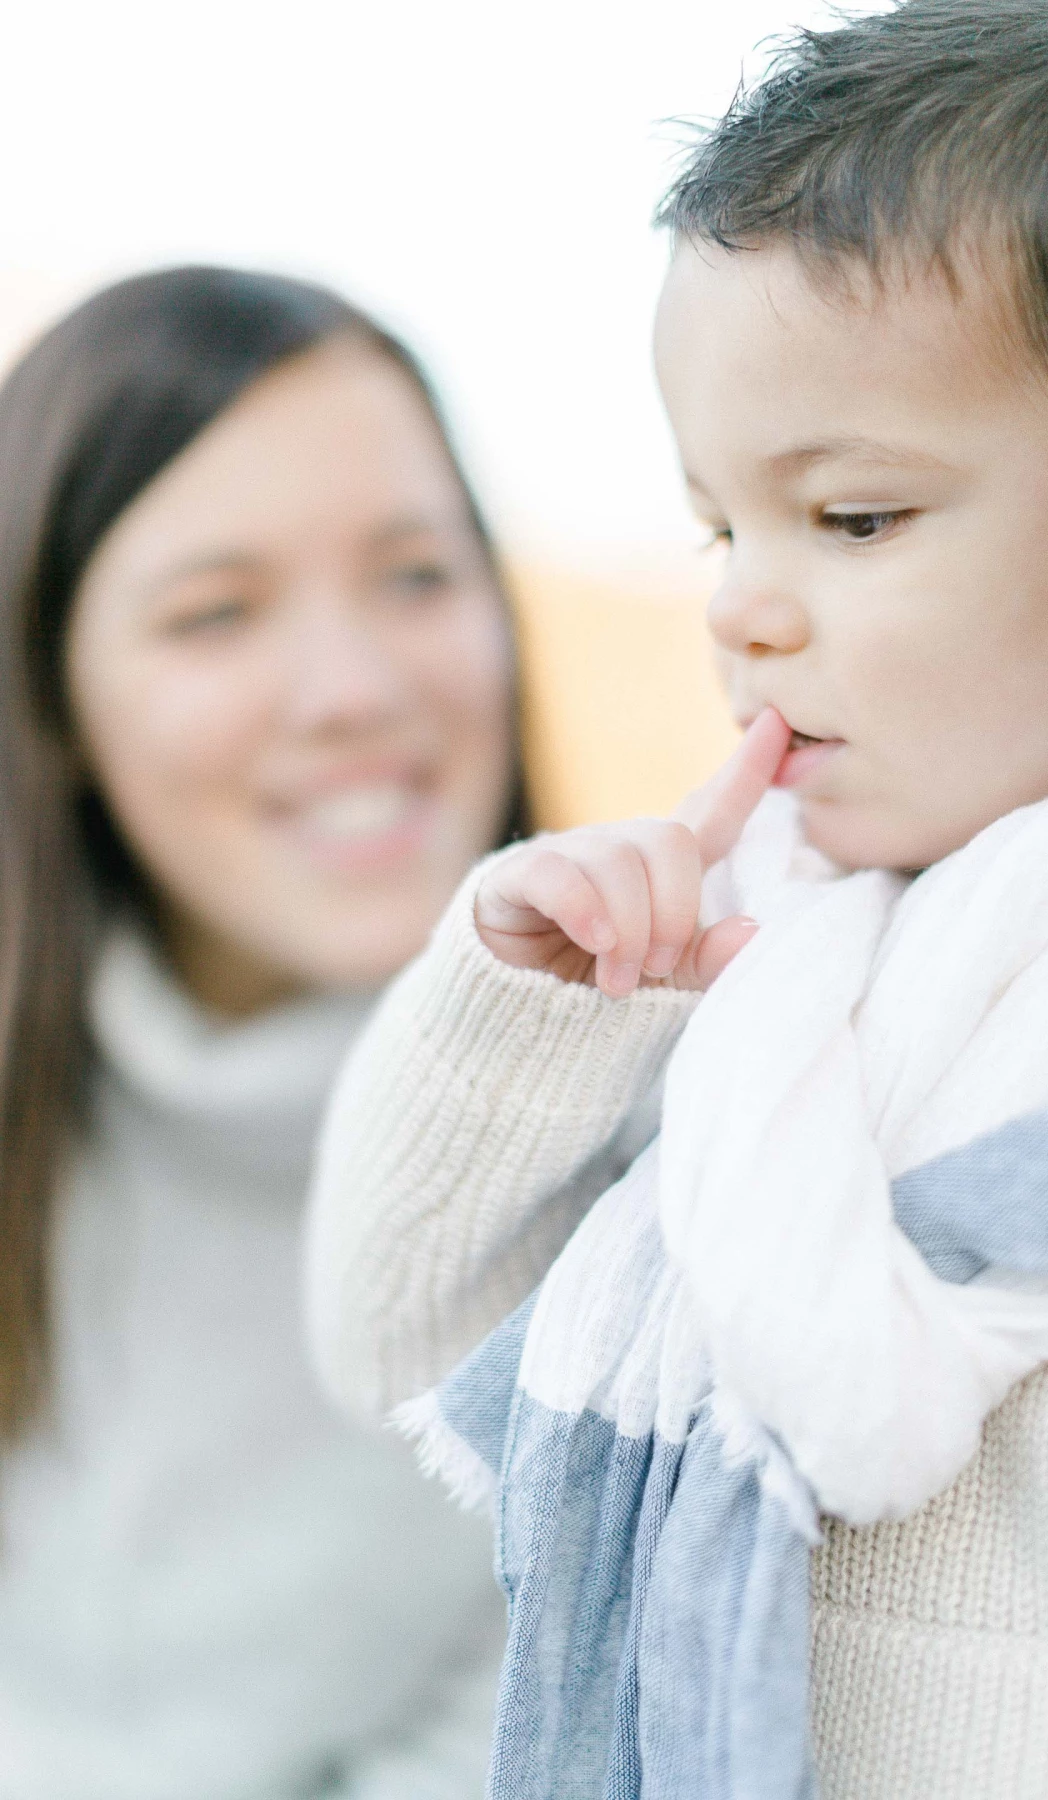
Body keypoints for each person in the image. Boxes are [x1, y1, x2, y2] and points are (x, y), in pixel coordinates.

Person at [306, 2, 1048, 1795]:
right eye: (721, 528)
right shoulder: (766, 954)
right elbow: (388, 1330)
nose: (740, 609)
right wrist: (531, 1009)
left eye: (854, 520)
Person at [0, 265, 526, 1797]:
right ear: (54, 699)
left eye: (415, 576)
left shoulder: (680, 1165)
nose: (353, 691)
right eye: (217, 613)